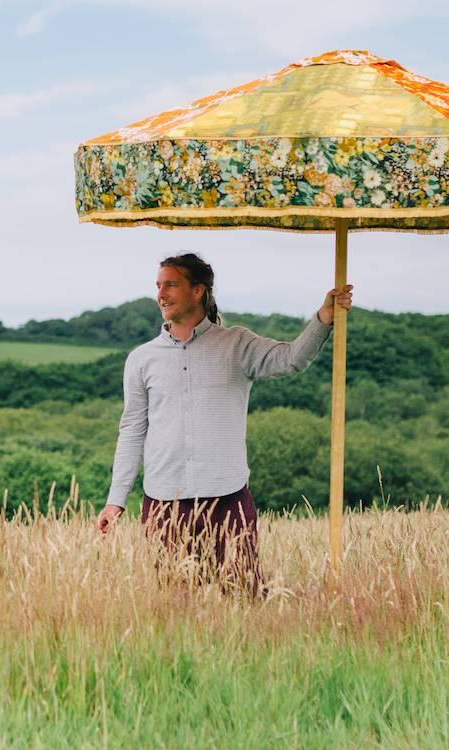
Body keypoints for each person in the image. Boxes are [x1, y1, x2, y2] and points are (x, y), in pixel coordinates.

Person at [94, 253, 353, 594]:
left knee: (243, 598)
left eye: (171, 284)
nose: (161, 294)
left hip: (228, 499)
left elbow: (291, 359)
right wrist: (116, 499)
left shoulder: (236, 344)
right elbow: (132, 430)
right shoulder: (141, 359)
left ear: (198, 291)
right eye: (158, 286)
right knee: (177, 603)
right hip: (163, 503)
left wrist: (324, 319)